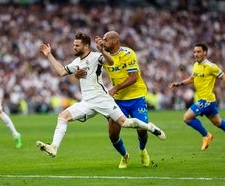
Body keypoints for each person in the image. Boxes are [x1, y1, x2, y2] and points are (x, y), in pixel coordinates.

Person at [36, 32, 165, 158]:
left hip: (103, 99)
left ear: (86, 46)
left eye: (77, 45)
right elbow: (61, 71)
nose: (74, 47)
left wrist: (103, 51)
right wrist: (49, 55)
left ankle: (150, 127)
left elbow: (111, 62)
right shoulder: (76, 62)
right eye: (74, 45)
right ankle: (53, 147)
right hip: (87, 102)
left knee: (125, 123)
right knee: (63, 117)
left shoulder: (96, 57)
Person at [99, 31, 162, 168]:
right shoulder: (104, 57)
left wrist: (115, 88)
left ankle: (142, 150)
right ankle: (124, 156)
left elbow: (133, 77)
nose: (103, 42)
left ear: (115, 41)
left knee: (141, 130)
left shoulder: (128, 54)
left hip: (136, 97)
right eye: (103, 40)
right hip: (118, 100)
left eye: (106, 39)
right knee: (112, 134)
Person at [169, 43, 225, 151]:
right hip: (205, 100)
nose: (196, 54)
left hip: (207, 100)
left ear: (205, 52)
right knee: (218, 122)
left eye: (198, 52)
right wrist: (179, 84)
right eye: (194, 52)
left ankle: (206, 135)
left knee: (187, 118)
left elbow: (223, 77)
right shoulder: (196, 65)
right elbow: (192, 78)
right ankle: (207, 135)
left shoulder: (211, 67)